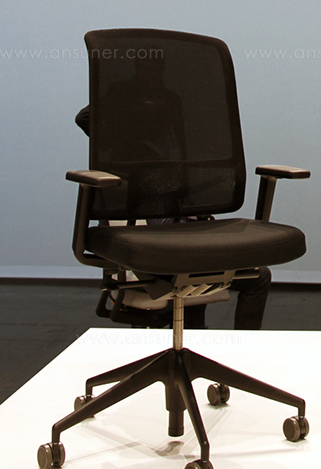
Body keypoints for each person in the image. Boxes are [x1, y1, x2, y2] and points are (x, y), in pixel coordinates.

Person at [75, 104, 271, 331]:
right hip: (157, 256)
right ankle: (196, 335)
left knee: (242, 272)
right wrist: (130, 97)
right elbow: (84, 117)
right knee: (236, 272)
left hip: (176, 250)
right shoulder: (131, 156)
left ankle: (195, 335)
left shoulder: (169, 158)